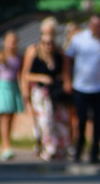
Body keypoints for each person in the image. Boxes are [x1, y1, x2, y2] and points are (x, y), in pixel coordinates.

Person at [63, 15, 100, 165]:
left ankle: (94, 153)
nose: (97, 29)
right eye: (95, 26)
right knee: (81, 120)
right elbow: (68, 59)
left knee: (98, 120)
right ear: (89, 25)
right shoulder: (78, 38)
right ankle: (79, 150)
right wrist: (67, 80)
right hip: (81, 87)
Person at [22, 17, 72, 161]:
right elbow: (26, 74)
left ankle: (61, 148)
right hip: (40, 92)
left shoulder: (58, 52)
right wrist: (38, 81)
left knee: (60, 121)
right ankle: (47, 149)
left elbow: (65, 70)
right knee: (45, 122)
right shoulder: (34, 50)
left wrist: (65, 83)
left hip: (55, 92)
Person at [0, 32, 24, 161]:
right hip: (2, 88)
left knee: (11, 117)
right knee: (5, 118)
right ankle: (5, 145)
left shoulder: (18, 57)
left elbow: (20, 76)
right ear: (5, 42)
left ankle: (6, 144)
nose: (12, 45)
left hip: (13, 87)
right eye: (10, 42)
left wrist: (23, 92)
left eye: (14, 42)